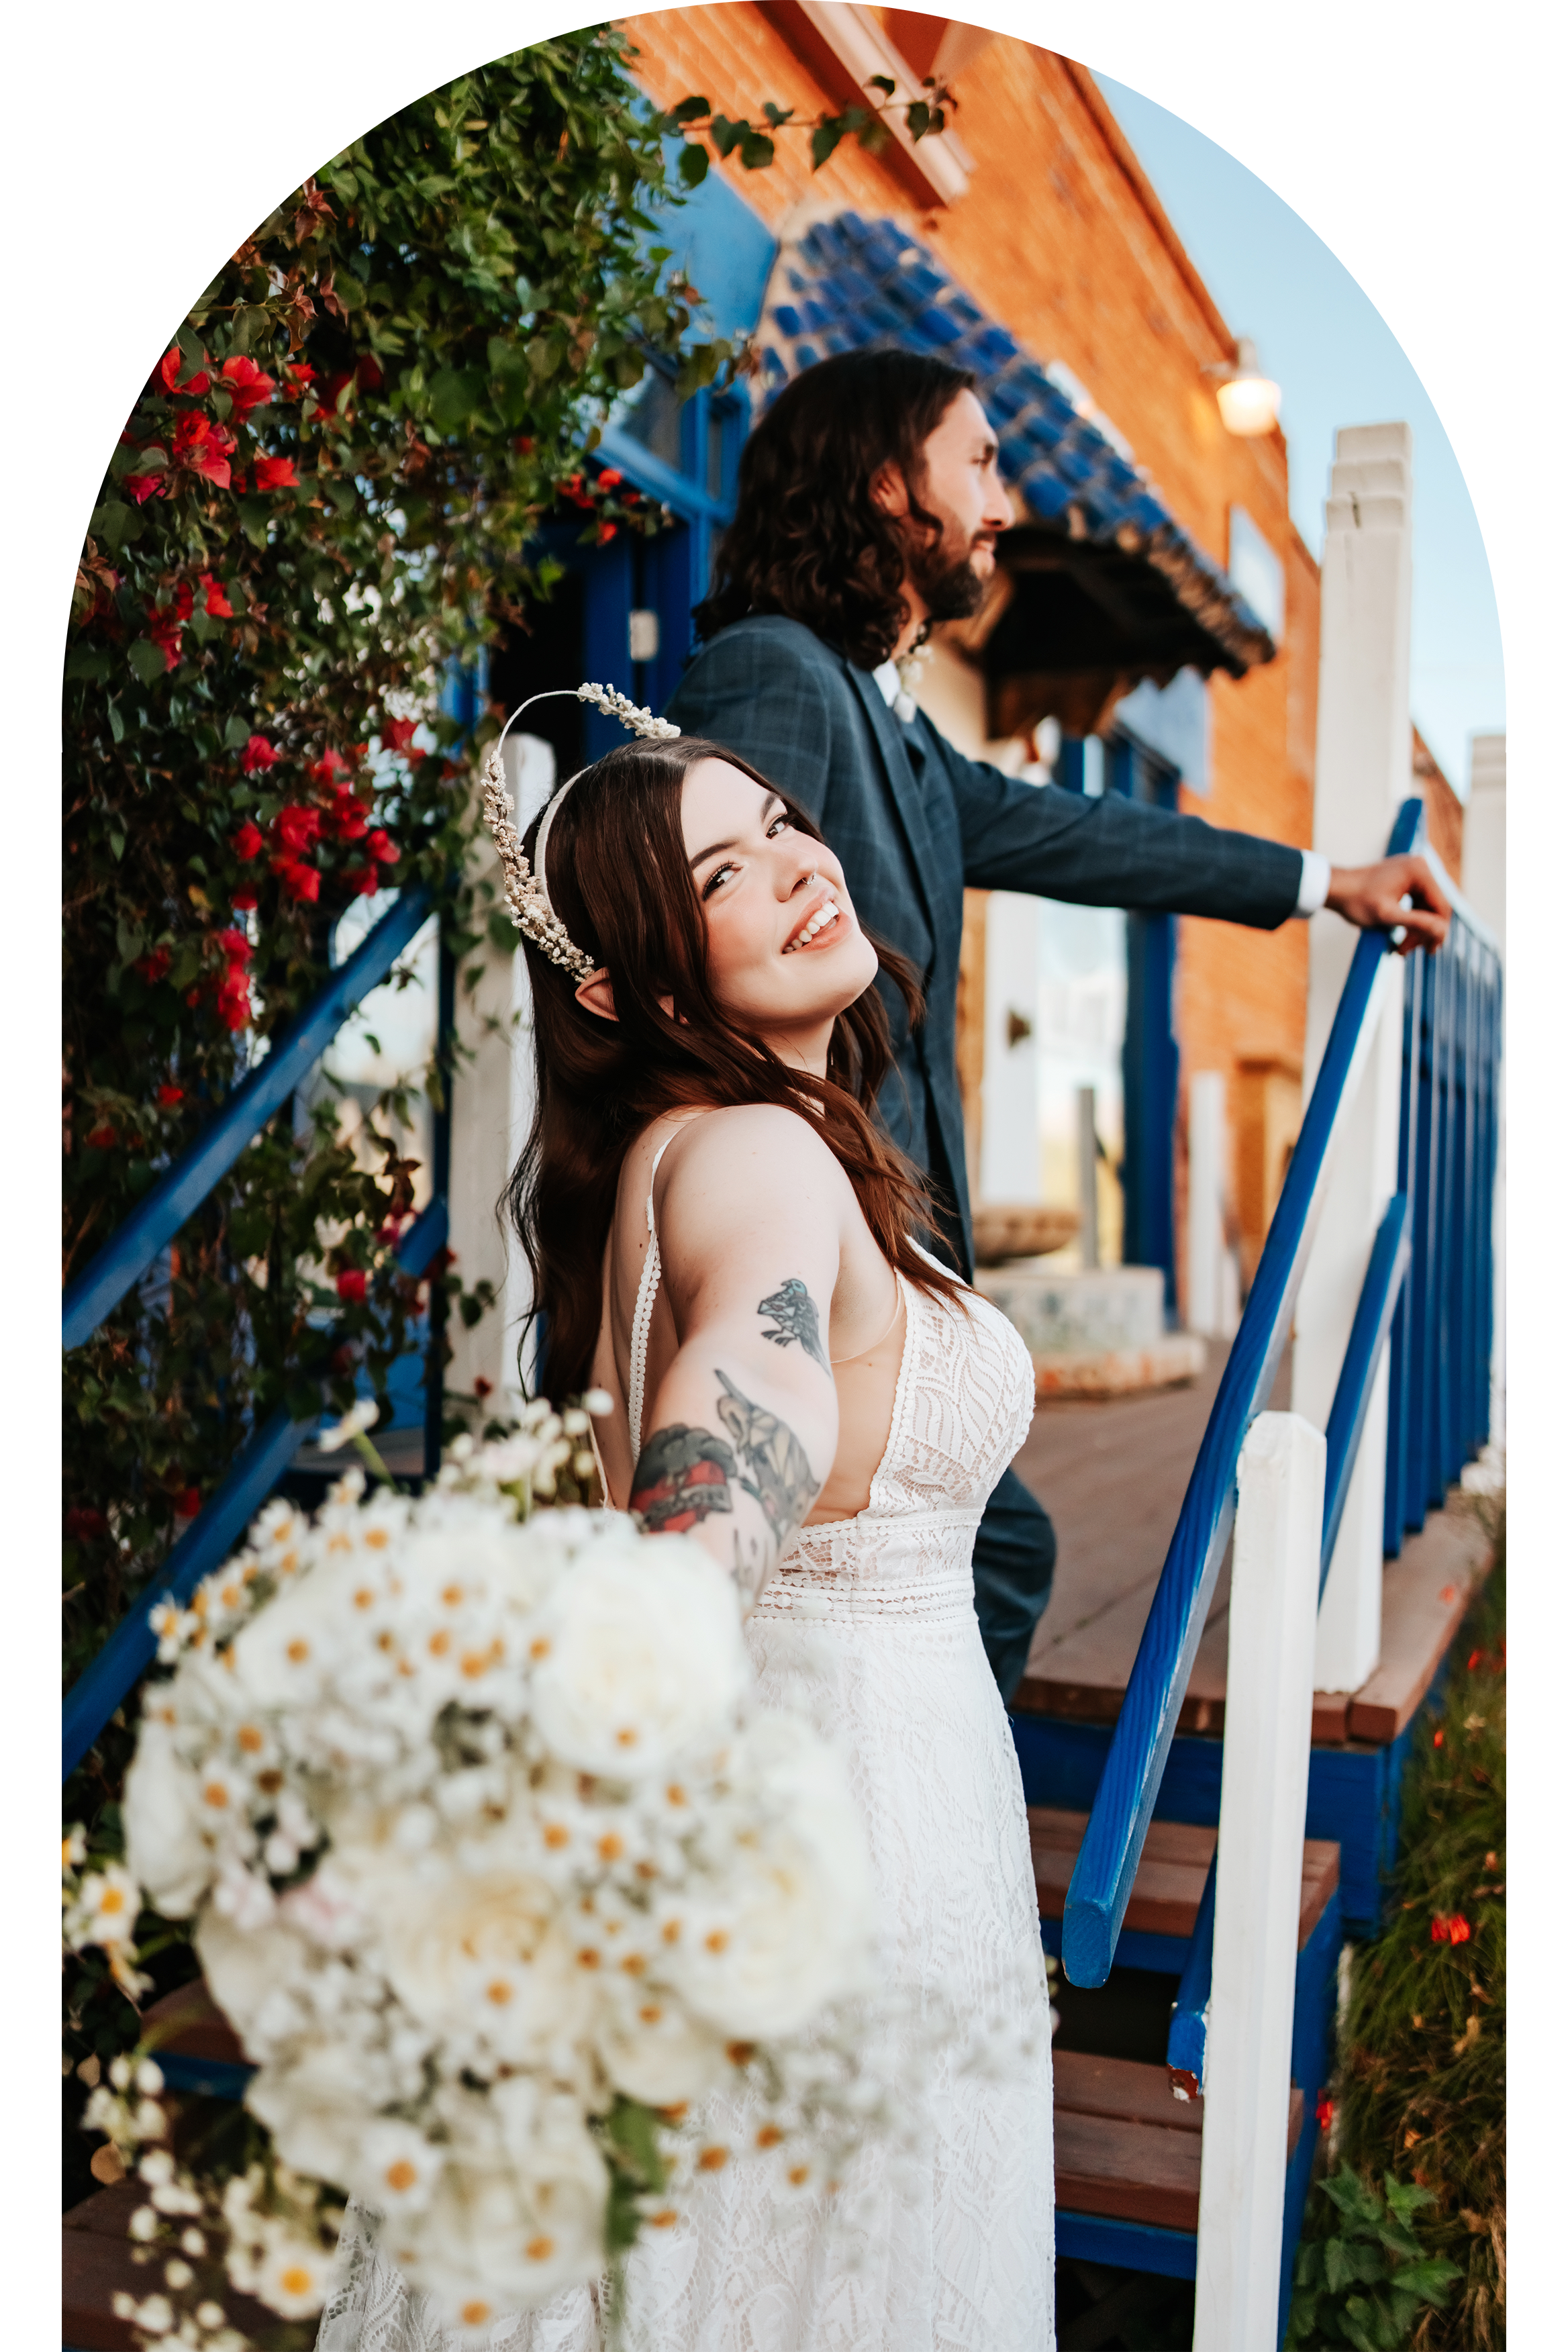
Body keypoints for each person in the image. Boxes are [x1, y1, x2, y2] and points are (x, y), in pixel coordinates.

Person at [317, 713, 1055, 2350]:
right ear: (627, 987)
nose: (799, 863)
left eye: (783, 821)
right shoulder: (760, 1160)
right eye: (724, 871)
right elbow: (748, 1393)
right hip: (851, 1842)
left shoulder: (657, 1164)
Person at [665, 347, 1451, 1702]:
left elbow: (1086, 834)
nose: (1004, 502)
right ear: (882, 490)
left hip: (881, 1243)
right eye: (976, 463)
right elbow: (705, 952)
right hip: (815, 1246)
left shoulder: (889, 726)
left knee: (959, 1558)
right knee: (981, 1556)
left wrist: (1325, 886)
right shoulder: (772, 679)